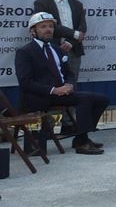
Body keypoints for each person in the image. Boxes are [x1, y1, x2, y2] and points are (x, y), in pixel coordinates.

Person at [15, 12, 109, 155]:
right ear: (33, 31)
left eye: (51, 26)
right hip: (40, 97)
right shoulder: (25, 52)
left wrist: (69, 85)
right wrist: (54, 90)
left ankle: (80, 138)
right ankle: (82, 142)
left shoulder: (57, 49)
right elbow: (25, 82)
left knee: (102, 99)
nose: (48, 29)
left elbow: (69, 73)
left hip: (61, 94)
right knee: (85, 99)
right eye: (43, 27)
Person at [33, 0, 88, 79]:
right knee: (50, 82)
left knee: (71, 82)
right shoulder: (41, 3)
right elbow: (46, 26)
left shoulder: (78, 4)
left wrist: (70, 42)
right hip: (50, 49)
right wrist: (74, 34)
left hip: (73, 50)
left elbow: (82, 26)